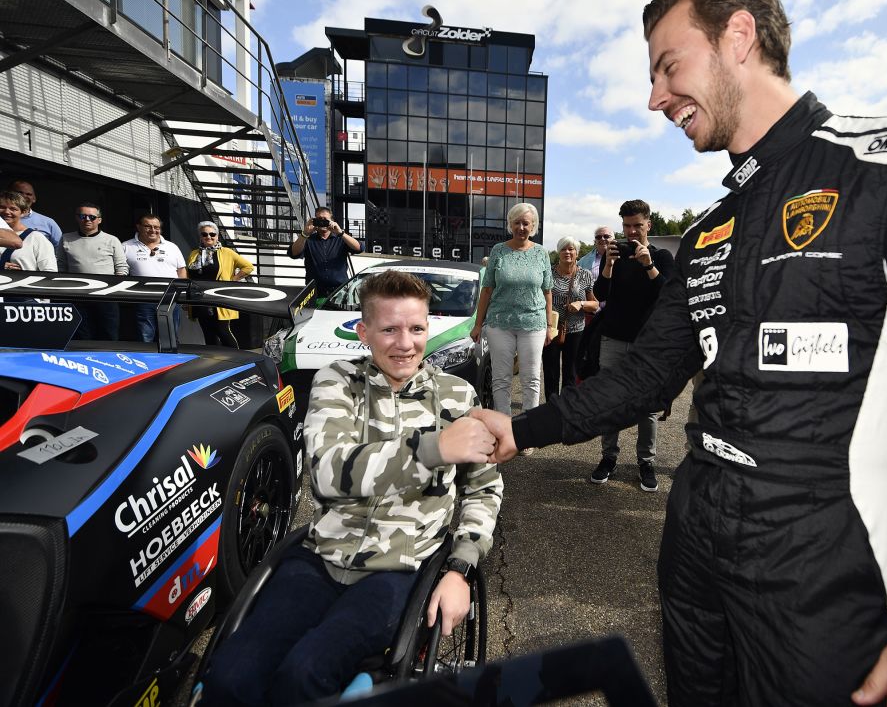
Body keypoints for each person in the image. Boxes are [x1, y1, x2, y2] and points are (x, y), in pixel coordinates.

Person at [469, 0, 887, 704]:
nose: (654, 97)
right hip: (696, 535)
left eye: (668, 66)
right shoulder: (711, 227)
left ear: (739, 36)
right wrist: (519, 429)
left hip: (826, 562)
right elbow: (647, 376)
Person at [199, 270, 503, 705]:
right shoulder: (336, 381)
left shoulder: (458, 395)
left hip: (401, 567)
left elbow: (483, 489)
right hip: (322, 556)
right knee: (229, 677)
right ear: (364, 332)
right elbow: (326, 473)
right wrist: (435, 447)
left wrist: (461, 568)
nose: (405, 343)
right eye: (390, 329)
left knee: (303, 676)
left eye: (416, 328)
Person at [588, 200, 675, 493]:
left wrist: (648, 265)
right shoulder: (616, 257)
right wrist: (609, 265)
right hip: (613, 337)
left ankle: (646, 462)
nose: (632, 232)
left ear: (649, 224)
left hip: (647, 344)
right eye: (626, 226)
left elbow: (667, 294)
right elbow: (599, 293)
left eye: (637, 225)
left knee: (647, 408)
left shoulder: (661, 256)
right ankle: (608, 458)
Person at [469, 202, 553, 449]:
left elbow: (547, 291)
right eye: (516, 222)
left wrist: (549, 325)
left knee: (531, 379)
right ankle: (504, 433)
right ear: (510, 224)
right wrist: (478, 324)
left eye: (526, 223)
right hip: (500, 323)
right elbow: (487, 289)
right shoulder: (498, 251)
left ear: (533, 226)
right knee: (501, 379)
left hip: (533, 323)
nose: (521, 227)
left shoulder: (541, 253)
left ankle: (528, 434)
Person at [57, 203, 128, 340]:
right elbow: (60, 266)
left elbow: (121, 268)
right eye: (83, 216)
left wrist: (115, 291)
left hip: (106, 296)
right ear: (77, 218)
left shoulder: (112, 240)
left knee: (109, 335)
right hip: (77, 296)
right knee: (82, 336)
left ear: (99, 220)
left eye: (92, 217)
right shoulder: (66, 238)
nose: (87, 220)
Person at [542, 236, 598, 401]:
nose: (567, 252)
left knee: (571, 373)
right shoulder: (548, 273)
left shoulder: (585, 275)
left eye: (571, 249)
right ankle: (551, 410)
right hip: (551, 329)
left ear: (577, 253)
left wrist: (581, 303)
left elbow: (595, 304)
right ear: (558, 252)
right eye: (564, 249)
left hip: (575, 330)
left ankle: (567, 411)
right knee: (551, 372)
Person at [185, 221, 253, 347]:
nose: (208, 237)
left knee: (223, 331)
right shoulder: (194, 254)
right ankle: (215, 362)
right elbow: (189, 275)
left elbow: (248, 267)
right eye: (204, 234)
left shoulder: (226, 252)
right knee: (208, 334)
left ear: (217, 236)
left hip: (218, 299)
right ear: (200, 237)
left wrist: (233, 279)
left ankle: (238, 359)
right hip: (199, 299)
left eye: (212, 234)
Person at [122, 214, 187, 342]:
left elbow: (181, 270)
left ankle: (171, 362)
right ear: (138, 227)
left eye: (156, 227)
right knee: (145, 337)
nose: (153, 230)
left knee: (171, 337)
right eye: (148, 226)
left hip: (170, 298)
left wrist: (182, 295)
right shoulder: (126, 246)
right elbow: (120, 272)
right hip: (143, 299)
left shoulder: (172, 247)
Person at [288, 206, 362, 298]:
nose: (322, 222)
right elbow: (293, 253)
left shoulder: (341, 239)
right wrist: (305, 233)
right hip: (315, 292)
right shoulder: (308, 240)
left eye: (325, 220)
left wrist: (341, 233)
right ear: (314, 221)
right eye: (319, 219)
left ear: (332, 221)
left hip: (340, 291)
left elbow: (359, 248)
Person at [0, 191, 56, 271]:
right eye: (2, 207)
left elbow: (50, 271)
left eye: (13, 209)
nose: (6, 212)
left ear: (23, 212)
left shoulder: (36, 238)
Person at [6, 180, 62, 246]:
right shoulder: (2, 218)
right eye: (19, 192)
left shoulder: (48, 222)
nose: (23, 196)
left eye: (28, 194)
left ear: (34, 199)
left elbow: (59, 249)